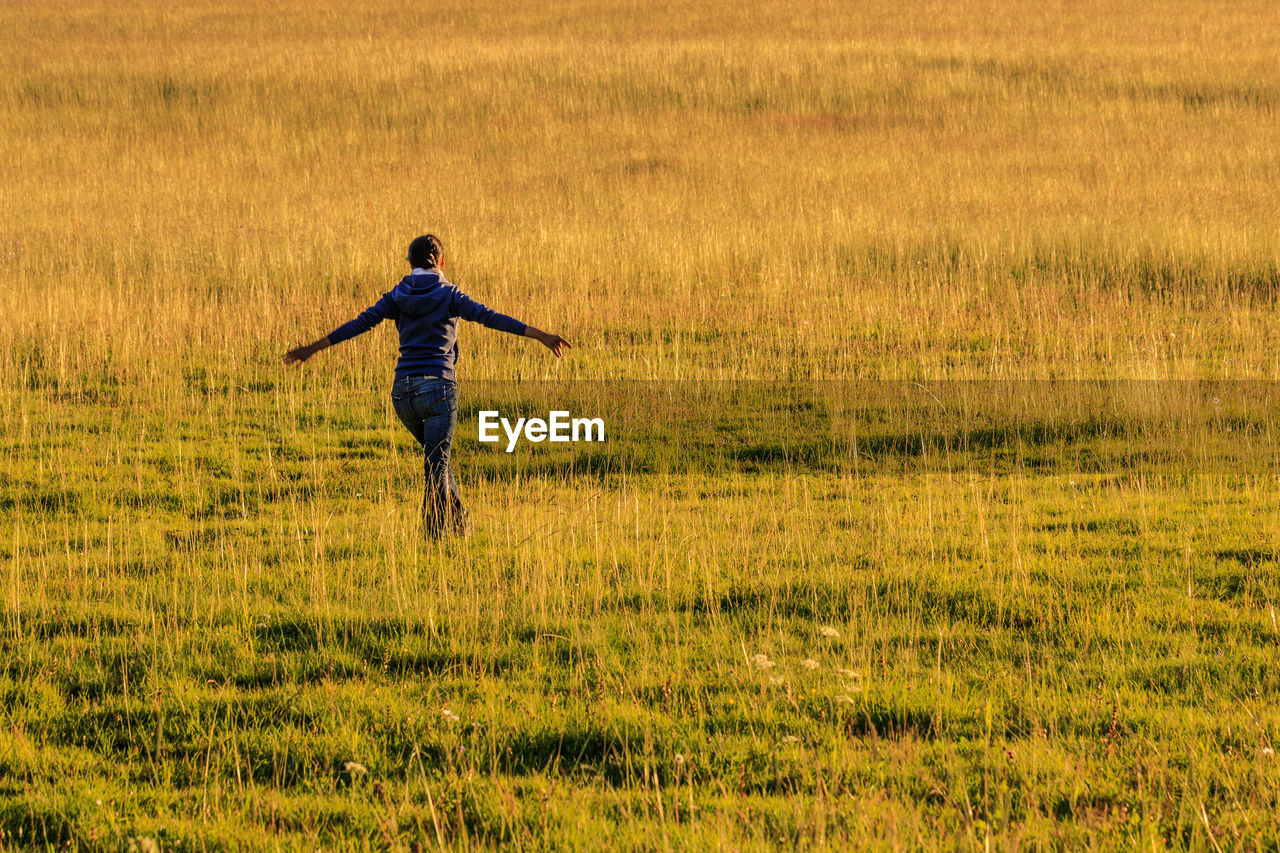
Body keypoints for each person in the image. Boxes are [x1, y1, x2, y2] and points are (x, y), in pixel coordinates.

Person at [283, 234, 570, 537]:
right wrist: (540, 335)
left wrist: (312, 348)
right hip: (439, 392)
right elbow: (490, 317)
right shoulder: (450, 295)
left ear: (410, 263)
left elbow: (360, 323)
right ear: (440, 261)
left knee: (439, 460)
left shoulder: (396, 295)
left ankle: (462, 527)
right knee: (436, 465)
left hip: (402, 394)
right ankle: (434, 539)